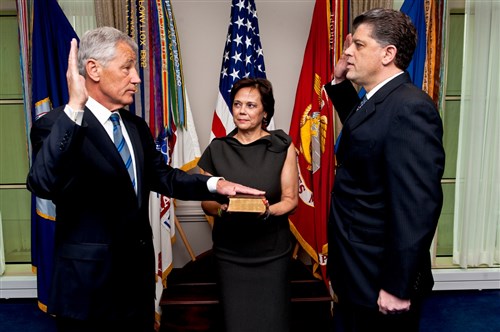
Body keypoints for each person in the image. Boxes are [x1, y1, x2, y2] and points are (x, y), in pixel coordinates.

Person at [26, 27, 265, 332]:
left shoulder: (135, 126)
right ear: (93, 70)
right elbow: (43, 182)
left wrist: (214, 185)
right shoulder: (56, 125)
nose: (137, 78)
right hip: (87, 291)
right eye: (127, 67)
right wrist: (74, 108)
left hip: (136, 287)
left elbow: (162, 176)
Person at [324, 8, 445, 332]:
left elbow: (417, 206)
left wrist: (397, 285)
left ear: (388, 53)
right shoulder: (382, 100)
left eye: (359, 45)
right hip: (358, 271)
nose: (348, 51)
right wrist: (339, 82)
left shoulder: (411, 108)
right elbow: (368, 135)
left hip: (381, 278)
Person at [198, 78, 299, 332]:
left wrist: (266, 211)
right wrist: (223, 209)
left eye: (251, 105)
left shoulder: (282, 146)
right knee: (236, 323)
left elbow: (291, 200)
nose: (242, 111)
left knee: (274, 323)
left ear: (265, 112)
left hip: (272, 255)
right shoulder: (216, 149)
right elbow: (206, 202)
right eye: (237, 104)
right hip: (231, 255)